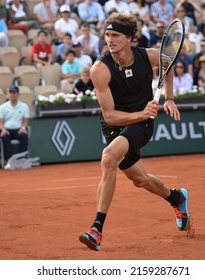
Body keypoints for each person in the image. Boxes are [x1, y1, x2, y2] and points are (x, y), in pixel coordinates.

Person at [78, 12, 190, 251]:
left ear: (129, 38)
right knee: (140, 180)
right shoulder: (100, 69)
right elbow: (109, 116)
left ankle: (96, 230)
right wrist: (143, 112)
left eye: (116, 35)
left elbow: (167, 63)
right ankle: (176, 198)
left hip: (141, 126)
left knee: (108, 158)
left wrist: (169, 97)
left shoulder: (147, 56)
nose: (110, 40)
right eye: (107, 35)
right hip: (116, 124)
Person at [0, 85, 30, 165]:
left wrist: (23, 127)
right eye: (11, 92)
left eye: (14, 92)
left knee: (24, 136)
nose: (12, 94)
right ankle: (9, 161)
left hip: (18, 129)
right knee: (5, 136)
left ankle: (23, 160)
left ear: (18, 94)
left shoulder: (24, 106)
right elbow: (0, 122)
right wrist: (3, 130)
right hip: (7, 129)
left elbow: (25, 121)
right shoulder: (3, 107)